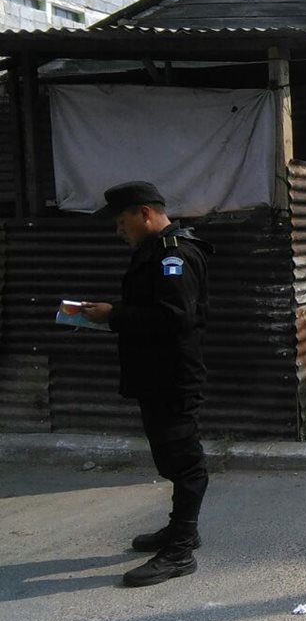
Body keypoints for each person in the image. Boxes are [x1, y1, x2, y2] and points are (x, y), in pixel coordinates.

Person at [80, 181, 213, 588]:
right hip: (156, 375)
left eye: (122, 222)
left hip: (173, 377)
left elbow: (175, 317)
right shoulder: (155, 251)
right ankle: (180, 529)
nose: (118, 231)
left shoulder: (173, 255)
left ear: (144, 214)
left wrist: (113, 315)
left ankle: (180, 551)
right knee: (169, 457)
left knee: (184, 461)